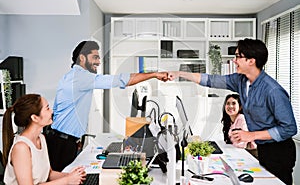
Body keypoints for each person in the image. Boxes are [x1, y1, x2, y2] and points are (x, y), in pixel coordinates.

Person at [168, 38, 297, 185]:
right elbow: (211, 80)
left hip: (280, 151)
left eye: (238, 56)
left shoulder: (273, 91)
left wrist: (250, 135)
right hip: (263, 148)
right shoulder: (241, 81)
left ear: (251, 61)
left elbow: (289, 128)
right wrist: (180, 73)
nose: (234, 60)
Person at [44, 40, 168, 171]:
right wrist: (153, 74)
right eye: (95, 57)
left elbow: (59, 110)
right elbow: (120, 80)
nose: (98, 62)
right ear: (82, 58)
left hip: (64, 139)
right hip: (62, 144)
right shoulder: (80, 77)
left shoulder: (72, 76)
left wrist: (76, 139)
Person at [2, 94, 86, 185]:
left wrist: (72, 176)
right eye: (47, 108)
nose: (51, 111)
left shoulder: (41, 138)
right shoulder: (21, 148)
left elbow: (48, 174)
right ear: (35, 118)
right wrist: (67, 180)